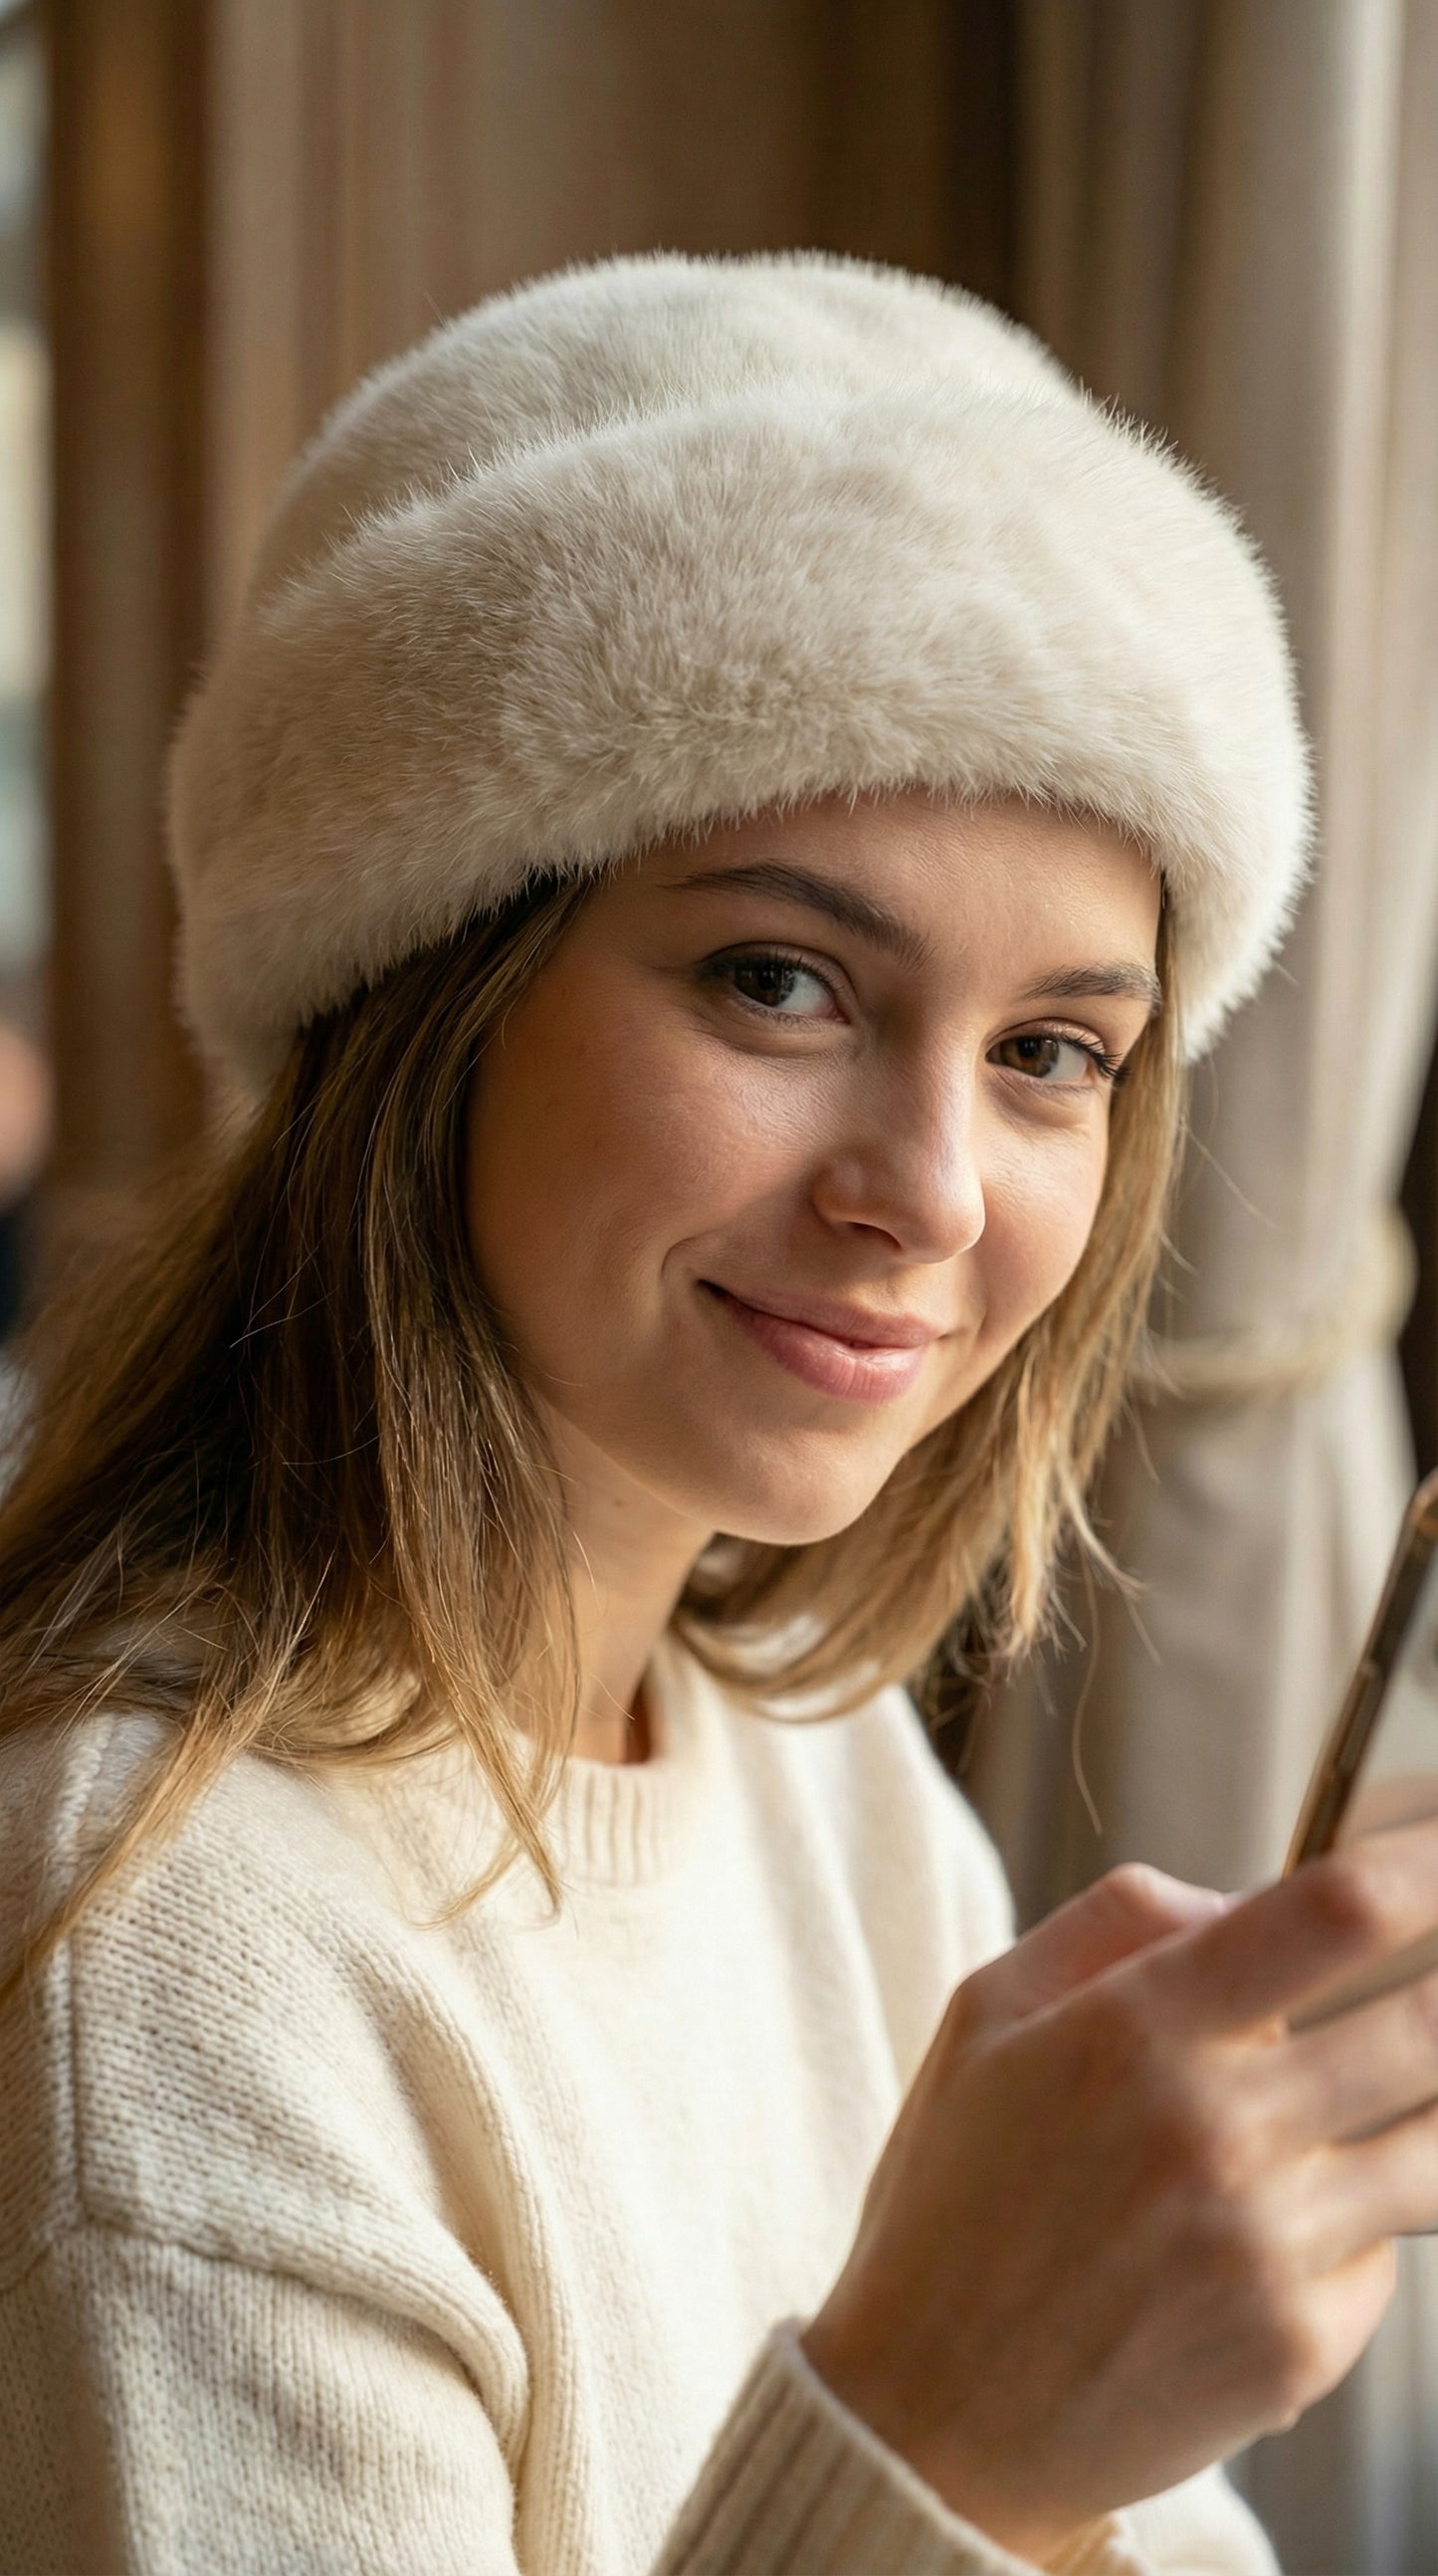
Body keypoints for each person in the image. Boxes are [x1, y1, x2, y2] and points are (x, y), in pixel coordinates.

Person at [2, 251, 1437, 2576]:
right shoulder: (165, 1968)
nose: (933, 1190)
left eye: (1053, 1051)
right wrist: (934, 2448)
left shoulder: (809, 1765)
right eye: (780, 980)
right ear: (419, 994)